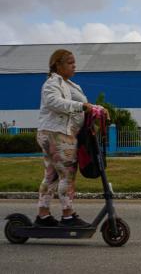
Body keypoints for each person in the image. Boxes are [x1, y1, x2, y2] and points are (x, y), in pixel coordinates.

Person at [35, 49, 95, 227]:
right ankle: (68, 215)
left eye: (74, 62)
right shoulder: (52, 83)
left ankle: (43, 215)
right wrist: (81, 106)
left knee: (52, 176)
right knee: (67, 175)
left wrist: (96, 108)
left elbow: (83, 104)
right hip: (57, 133)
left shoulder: (69, 85)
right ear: (58, 65)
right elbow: (54, 102)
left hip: (58, 133)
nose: (74, 65)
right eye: (70, 62)